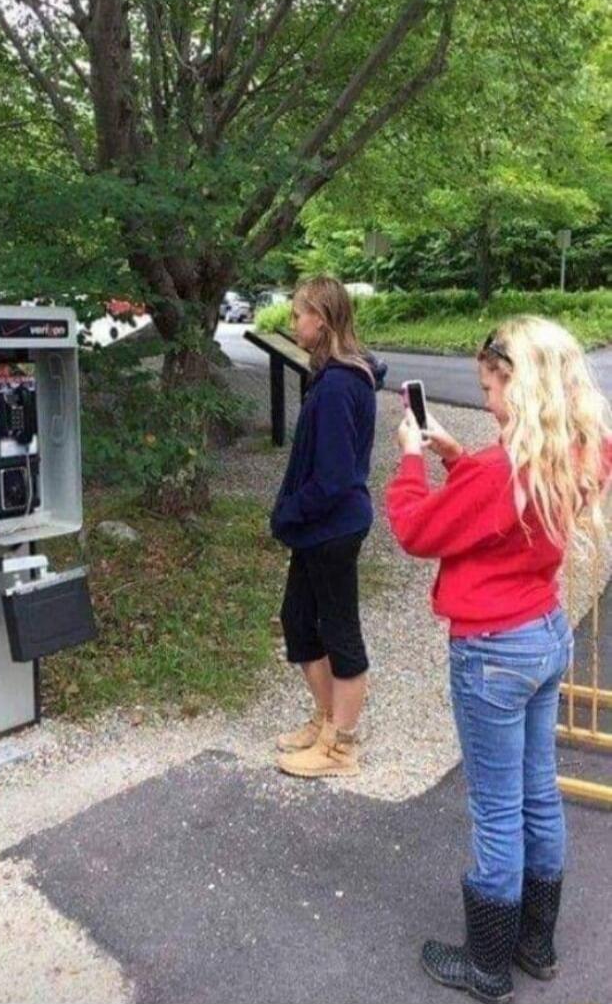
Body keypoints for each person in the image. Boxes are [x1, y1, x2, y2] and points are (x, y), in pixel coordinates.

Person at [386, 316, 611, 1003]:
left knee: (495, 808)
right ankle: (535, 943)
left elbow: (416, 529)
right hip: (545, 631)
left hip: (491, 649)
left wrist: (412, 458)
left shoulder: (497, 470)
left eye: (490, 385)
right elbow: (503, 516)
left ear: (523, 381)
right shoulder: (583, 448)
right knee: (538, 791)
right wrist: (459, 456)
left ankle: (486, 965)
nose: (484, 399)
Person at [270, 276, 386, 778]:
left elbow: (336, 478)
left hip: (332, 528)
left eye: (298, 314)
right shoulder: (331, 376)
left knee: (339, 632)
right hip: (318, 528)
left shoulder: (339, 385)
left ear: (321, 318)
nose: (293, 322)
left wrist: (288, 512)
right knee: (298, 621)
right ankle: (325, 720)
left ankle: (342, 747)